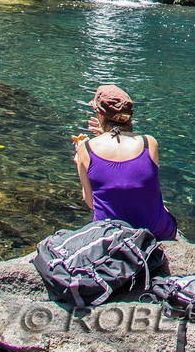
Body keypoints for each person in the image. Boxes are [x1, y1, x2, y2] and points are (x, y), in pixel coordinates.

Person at [73, 83, 177, 240]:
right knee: (161, 206)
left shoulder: (86, 149)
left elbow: (90, 202)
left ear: (100, 116)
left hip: (110, 236)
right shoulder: (149, 143)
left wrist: (79, 159)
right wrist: (108, 133)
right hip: (155, 232)